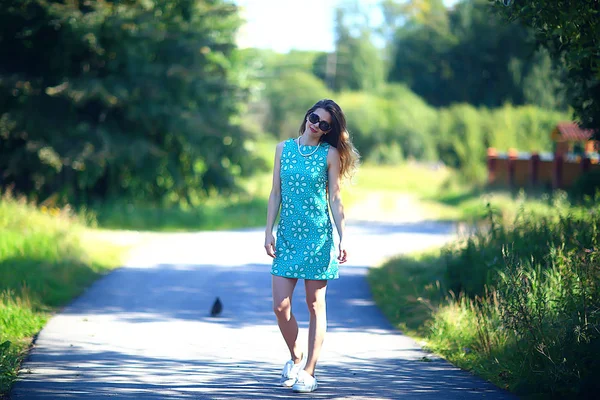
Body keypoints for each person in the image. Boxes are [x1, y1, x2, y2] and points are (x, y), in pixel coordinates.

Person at [264, 99, 359, 393]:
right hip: (289, 237)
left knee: (315, 305)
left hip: (318, 238)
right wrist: (269, 231)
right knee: (281, 307)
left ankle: (309, 371)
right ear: (308, 115)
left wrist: (344, 236)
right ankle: (296, 356)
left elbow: (335, 197)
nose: (316, 125)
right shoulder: (283, 148)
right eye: (314, 118)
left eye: (324, 124)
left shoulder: (329, 154)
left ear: (329, 130)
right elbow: (275, 192)